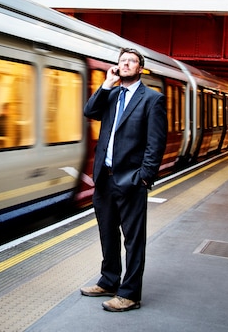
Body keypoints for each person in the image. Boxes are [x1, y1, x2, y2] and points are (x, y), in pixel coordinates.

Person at [81, 47, 167, 312]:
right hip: (104, 180)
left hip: (131, 181)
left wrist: (144, 178)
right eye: (123, 61)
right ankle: (109, 280)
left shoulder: (152, 99)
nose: (127, 64)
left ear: (140, 68)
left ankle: (130, 294)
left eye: (132, 61)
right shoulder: (112, 94)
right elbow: (89, 111)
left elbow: (156, 143)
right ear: (117, 67)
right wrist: (106, 83)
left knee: (133, 240)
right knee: (107, 234)